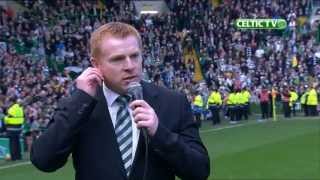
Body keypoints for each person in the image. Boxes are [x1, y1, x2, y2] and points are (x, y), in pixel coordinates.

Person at [31, 22, 210, 180]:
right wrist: (81, 99)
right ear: (96, 64)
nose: (130, 66)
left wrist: (159, 133)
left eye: (134, 56)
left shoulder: (172, 101)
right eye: (117, 59)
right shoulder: (80, 105)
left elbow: (199, 171)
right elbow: (44, 160)